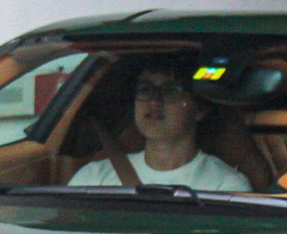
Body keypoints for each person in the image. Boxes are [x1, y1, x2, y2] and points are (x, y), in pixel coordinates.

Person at [68, 61, 252, 190]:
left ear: (200, 109)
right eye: (145, 90)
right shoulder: (93, 178)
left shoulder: (225, 186)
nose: (154, 101)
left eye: (170, 91)